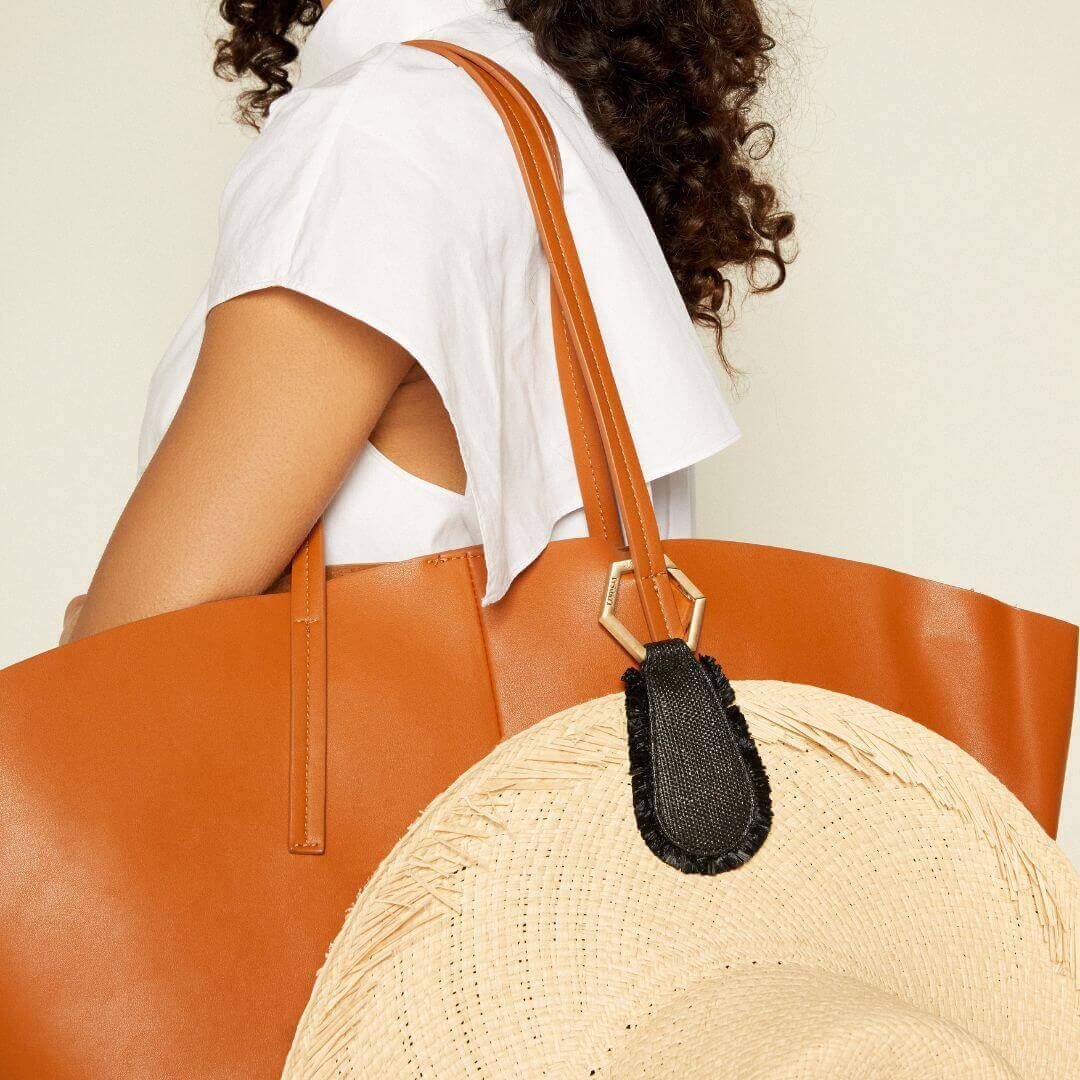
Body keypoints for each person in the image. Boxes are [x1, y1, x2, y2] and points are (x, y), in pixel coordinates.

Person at [62, 0, 793, 644]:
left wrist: (89, 623)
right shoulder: (541, 108)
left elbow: (123, 666)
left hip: (385, 802)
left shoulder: (370, 131)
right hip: (542, 789)